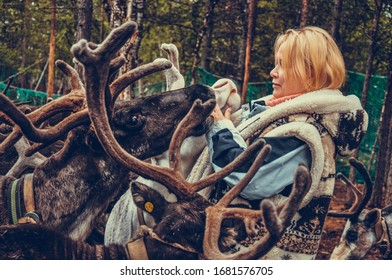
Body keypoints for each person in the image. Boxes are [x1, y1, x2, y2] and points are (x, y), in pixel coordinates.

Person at [205, 25, 368, 240]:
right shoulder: (284, 117)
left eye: (282, 65)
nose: (272, 72)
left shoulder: (303, 133)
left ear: (309, 74)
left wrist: (220, 128)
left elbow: (248, 177)